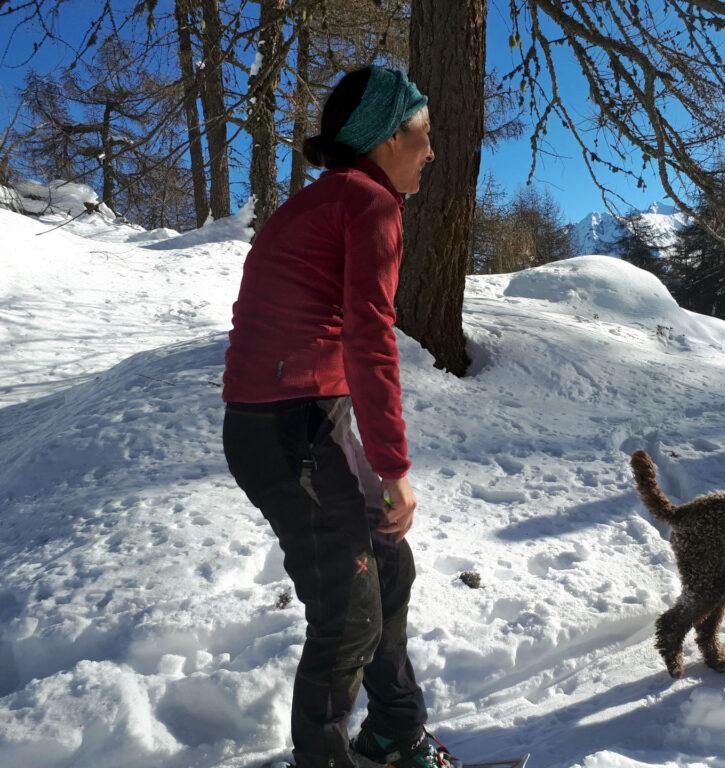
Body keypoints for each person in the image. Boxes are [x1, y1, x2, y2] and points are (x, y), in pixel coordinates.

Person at [221, 66, 447, 768]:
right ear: (385, 138)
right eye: (423, 135)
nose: (431, 152)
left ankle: (395, 732)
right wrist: (392, 468)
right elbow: (370, 339)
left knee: (388, 565)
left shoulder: (334, 198)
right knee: (349, 614)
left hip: (308, 419)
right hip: (284, 429)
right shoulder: (367, 204)